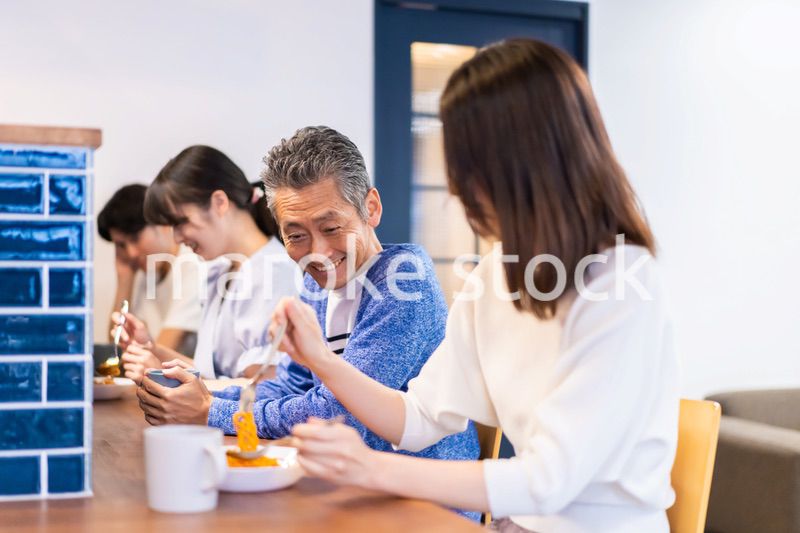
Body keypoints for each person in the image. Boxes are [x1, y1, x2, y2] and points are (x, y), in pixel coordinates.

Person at [270, 40, 680, 533]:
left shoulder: (622, 280)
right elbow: (420, 418)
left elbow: (551, 479)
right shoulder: (495, 275)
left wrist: (372, 468)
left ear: (528, 162)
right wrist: (320, 359)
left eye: (467, 164)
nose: (457, 186)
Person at [134, 128, 480, 514]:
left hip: (423, 507)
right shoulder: (317, 286)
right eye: (296, 235)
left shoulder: (403, 283)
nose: (316, 252)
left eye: (331, 229)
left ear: (372, 208)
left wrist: (209, 411)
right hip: (350, 487)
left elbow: (340, 416)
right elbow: (291, 383)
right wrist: (202, 396)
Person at [114, 146, 299, 381]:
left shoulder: (273, 273)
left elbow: (264, 391)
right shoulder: (221, 271)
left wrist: (157, 371)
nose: (177, 238)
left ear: (220, 202)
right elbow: (214, 376)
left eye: (181, 222)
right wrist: (151, 348)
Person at [98, 184, 201, 353]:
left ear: (161, 223)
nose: (131, 253)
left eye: (135, 238)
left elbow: (161, 350)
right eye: (121, 245)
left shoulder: (192, 266)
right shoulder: (147, 275)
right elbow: (116, 347)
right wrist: (125, 278)